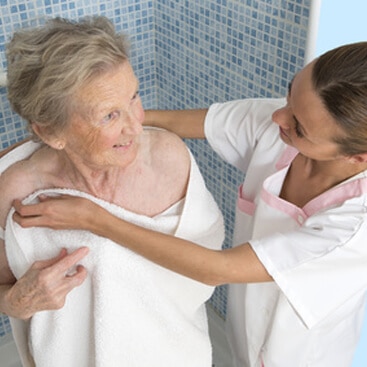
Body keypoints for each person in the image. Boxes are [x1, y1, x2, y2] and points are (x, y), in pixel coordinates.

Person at [13, 41, 367, 367]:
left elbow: (217, 268)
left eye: (299, 127)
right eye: (290, 95)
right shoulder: (282, 121)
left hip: (301, 354)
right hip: (240, 337)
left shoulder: (354, 228)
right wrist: (119, 116)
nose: (279, 117)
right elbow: (199, 121)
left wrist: (96, 220)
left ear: (357, 157)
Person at [0, 16, 224, 367]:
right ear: (49, 132)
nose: (136, 126)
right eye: (109, 116)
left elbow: (208, 268)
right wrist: (15, 302)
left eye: (134, 95)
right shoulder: (17, 190)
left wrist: (97, 221)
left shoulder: (167, 161)